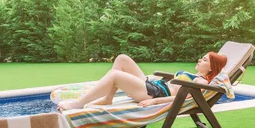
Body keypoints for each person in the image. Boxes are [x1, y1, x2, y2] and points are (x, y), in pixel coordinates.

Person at [57, 52, 228, 112]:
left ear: (211, 68)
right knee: (122, 59)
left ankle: (79, 104)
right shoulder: (195, 76)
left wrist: (155, 100)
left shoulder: (200, 82)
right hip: (154, 86)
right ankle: (108, 98)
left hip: (155, 92)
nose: (199, 60)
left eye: (204, 60)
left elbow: (185, 99)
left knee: (115, 75)